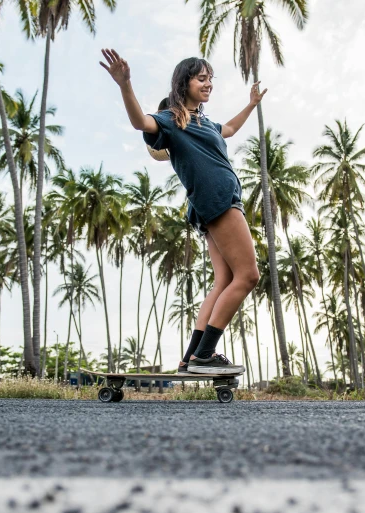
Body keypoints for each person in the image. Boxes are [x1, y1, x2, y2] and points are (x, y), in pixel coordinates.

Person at [100, 48, 267, 375]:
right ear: (184, 83)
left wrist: (250, 105)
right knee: (248, 275)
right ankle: (205, 355)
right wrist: (125, 84)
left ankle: (190, 358)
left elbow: (229, 129)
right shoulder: (172, 120)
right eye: (201, 78)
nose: (208, 84)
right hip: (217, 200)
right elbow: (141, 122)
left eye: (210, 79)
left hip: (216, 203)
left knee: (224, 280)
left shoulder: (205, 123)